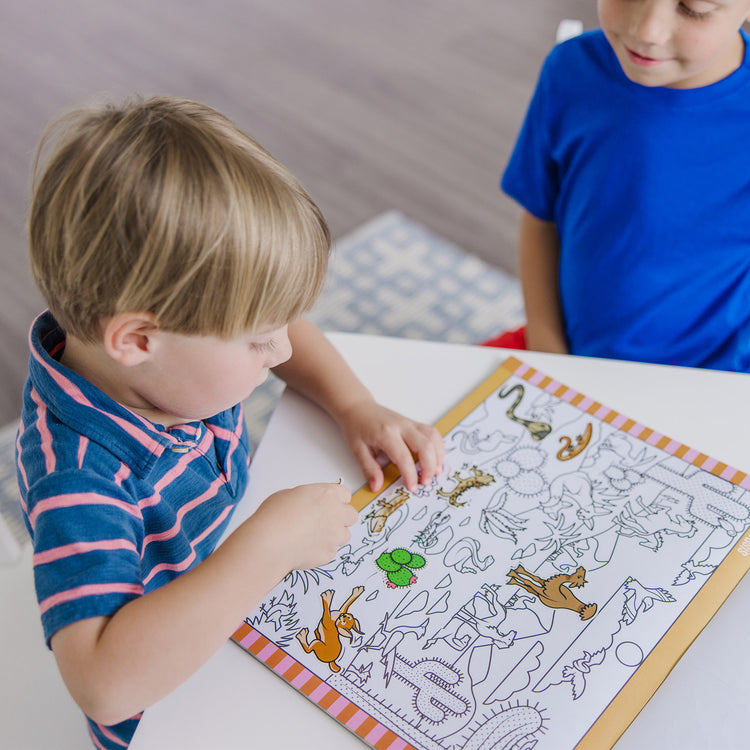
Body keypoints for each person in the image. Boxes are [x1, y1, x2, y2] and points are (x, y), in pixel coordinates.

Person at [15, 95, 445, 749]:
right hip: (175, 709)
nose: (281, 352)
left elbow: (280, 322)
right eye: (258, 341)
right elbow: (104, 685)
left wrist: (354, 405)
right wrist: (267, 546)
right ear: (137, 339)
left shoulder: (166, 363)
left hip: (242, 627)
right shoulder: (79, 479)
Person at [487, 0, 750, 371]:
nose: (647, 31)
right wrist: (548, 350)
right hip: (569, 352)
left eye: (693, 8)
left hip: (716, 377)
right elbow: (540, 218)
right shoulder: (570, 70)